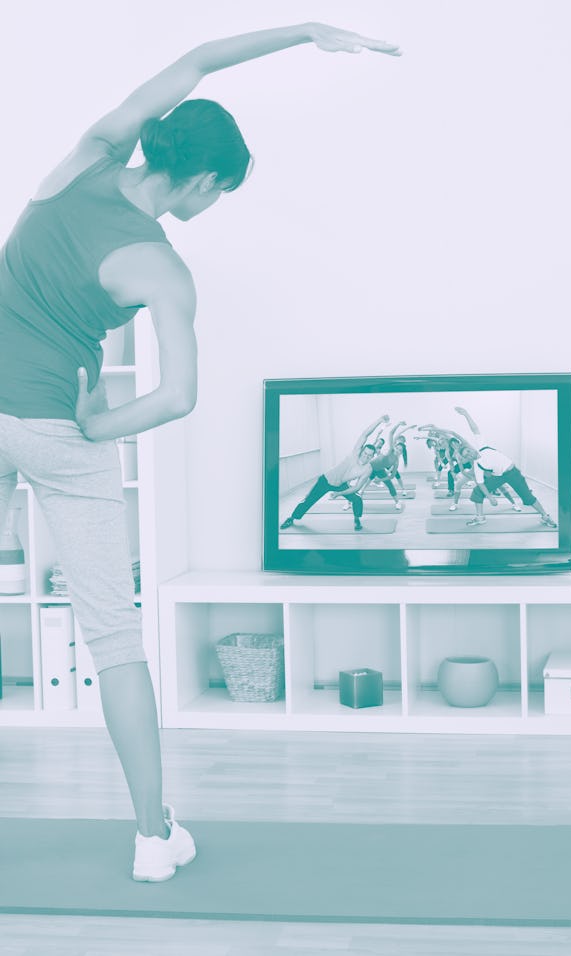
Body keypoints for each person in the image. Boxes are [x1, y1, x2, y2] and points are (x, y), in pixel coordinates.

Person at [0, 22, 400, 882]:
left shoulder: (87, 157)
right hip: (57, 432)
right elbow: (178, 396)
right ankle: (154, 837)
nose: (216, 204)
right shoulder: (162, 269)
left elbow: (195, 63)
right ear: (207, 179)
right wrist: (96, 426)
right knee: (114, 639)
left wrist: (305, 31)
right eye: (222, 191)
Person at [451, 408, 557, 528]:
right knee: (477, 491)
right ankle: (480, 518)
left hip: (513, 473)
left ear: (471, 449)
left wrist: (466, 414)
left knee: (527, 497)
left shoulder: (482, 446)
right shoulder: (477, 466)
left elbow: (475, 429)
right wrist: (490, 498)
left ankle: (545, 516)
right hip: (499, 477)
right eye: (466, 455)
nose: (469, 454)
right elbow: (480, 484)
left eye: (468, 451)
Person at [280, 415, 390, 530]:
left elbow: (357, 488)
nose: (366, 456)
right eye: (365, 453)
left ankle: (357, 520)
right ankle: (291, 518)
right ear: (361, 451)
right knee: (308, 500)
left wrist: (339, 493)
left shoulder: (368, 469)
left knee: (357, 499)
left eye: (369, 456)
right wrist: (379, 420)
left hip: (341, 485)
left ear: (372, 457)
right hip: (325, 481)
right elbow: (365, 434)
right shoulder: (355, 454)